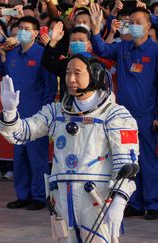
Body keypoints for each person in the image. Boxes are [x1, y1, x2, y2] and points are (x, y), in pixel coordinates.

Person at [0, 53, 138, 242]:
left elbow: (126, 164)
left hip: (97, 200)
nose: (71, 79)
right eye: (67, 73)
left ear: (95, 76)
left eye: (77, 73)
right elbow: (21, 134)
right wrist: (9, 112)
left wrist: (119, 201)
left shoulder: (114, 114)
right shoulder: (56, 112)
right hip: (62, 200)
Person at [89, 4, 158, 220]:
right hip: (124, 117)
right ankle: (134, 202)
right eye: (131, 22)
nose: (134, 26)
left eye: (139, 23)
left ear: (148, 26)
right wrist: (96, 28)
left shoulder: (155, 51)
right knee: (128, 160)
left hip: (146, 114)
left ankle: (153, 203)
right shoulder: (123, 48)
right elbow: (101, 50)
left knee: (147, 160)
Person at [2, 16, 57, 210]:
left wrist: (46, 111)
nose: (23, 32)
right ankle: (23, 194)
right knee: (20, 157)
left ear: (35, 33)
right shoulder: (12, 56)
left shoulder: (42, 54)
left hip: (36, 115)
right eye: (20, 29)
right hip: (17, 115)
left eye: (27, 29)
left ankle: (40, 196)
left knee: (37, 158)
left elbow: (50, 85)